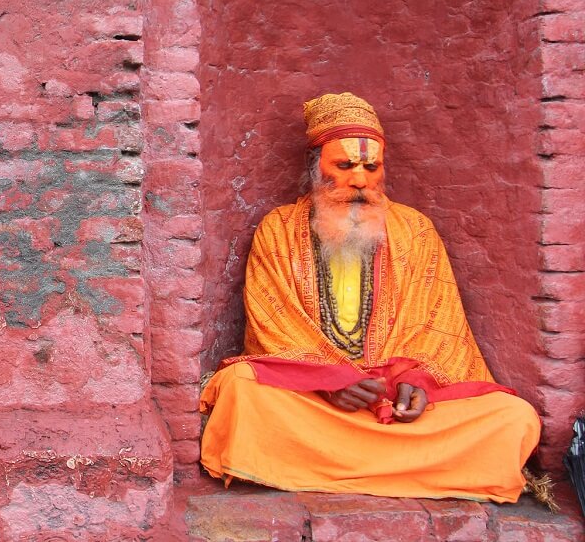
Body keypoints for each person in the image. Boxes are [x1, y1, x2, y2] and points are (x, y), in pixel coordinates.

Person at [200, 92, 540, 502]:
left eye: (370, 167)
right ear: (316, 168)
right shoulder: (279, 230)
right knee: (240, 388)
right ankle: (415, 470)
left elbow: (438, 327)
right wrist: (331, 382)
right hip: (317, 403)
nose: (360, 180)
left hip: (394, 403)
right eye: (344, 166)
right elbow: (273, 330)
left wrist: (416, 380)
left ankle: (321, 465)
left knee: (512, 418)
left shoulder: (415, 230)